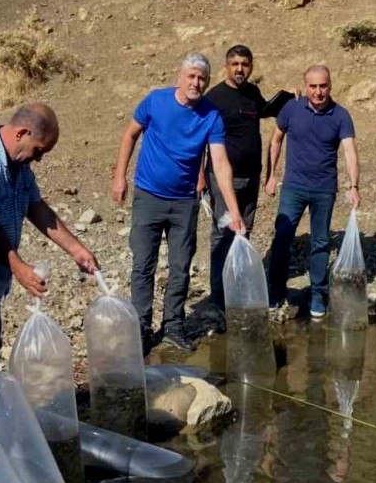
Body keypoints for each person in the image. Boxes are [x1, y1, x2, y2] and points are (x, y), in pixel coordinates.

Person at [0, 102, 99, 397]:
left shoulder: (19, 165)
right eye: (39, 150)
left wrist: (77, 250)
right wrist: (19, 267)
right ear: (22, 133)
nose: (38, 159)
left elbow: (36, 207)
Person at [112, 52, 247, 353]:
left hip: (185, 202)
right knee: (143, 264)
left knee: (180, 265)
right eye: (191, 76)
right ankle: (141, 326)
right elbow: (130, 134)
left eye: (202, 78)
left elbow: (221, 163)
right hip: (148, 196)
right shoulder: (155, 101)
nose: (196, 83)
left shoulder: (211, 116)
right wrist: (120, 176)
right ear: (180, 76)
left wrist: (234, 211)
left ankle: (173, 325)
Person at [198, 45, 296, 332]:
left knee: (245, 232)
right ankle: (218, 298)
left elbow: (264, 111)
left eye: (245, 64)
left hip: (251, 177)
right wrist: (199, 176)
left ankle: (237, 287)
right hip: (222, 178)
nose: (240, 69)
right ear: (226, 66)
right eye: (234, 64)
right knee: (222, 234)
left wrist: (288, 99)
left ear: (251, 66)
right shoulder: (214, 98)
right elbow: (201, 138)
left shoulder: (252, 93)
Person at [265, 65, 362, 318]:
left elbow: (350, 150)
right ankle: (275, 291)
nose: (318, 92)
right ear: (305, 86)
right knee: (282, 237)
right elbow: (276, 139)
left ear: (330, 85)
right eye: (313, 86)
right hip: (293, 187)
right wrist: (271, 175)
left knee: (320, 242)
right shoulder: (291, 108)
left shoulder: (340, 115)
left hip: (323, 189)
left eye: (323, 86)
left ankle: (317, 294)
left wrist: (354, 186)